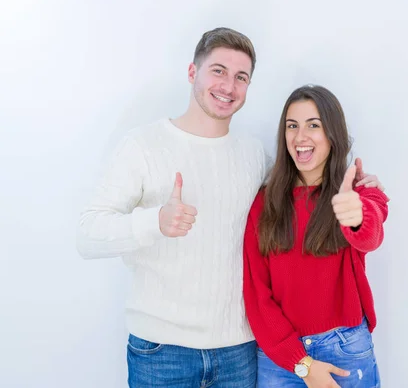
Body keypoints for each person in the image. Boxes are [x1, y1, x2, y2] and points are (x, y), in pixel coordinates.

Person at [77, 28, 383, 387]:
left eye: (241, 77)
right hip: (162, 352)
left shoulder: (253, 156)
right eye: (218, 71)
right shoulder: (143, 146)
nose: (228, 86)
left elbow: (308, 179)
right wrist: (155, 222)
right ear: (193, 73)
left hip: (238, 352)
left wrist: (364, 198)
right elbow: (87, 235)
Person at [243, 84, 389, 388]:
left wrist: (357, 213)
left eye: (314, 125)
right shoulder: (264, 203)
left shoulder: (358, 193)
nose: (300, 137)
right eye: (292, 126)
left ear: (332, 134)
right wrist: (300, 362)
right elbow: (257, 295)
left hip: (345, 348)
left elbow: (371, 235)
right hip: (281, 357)